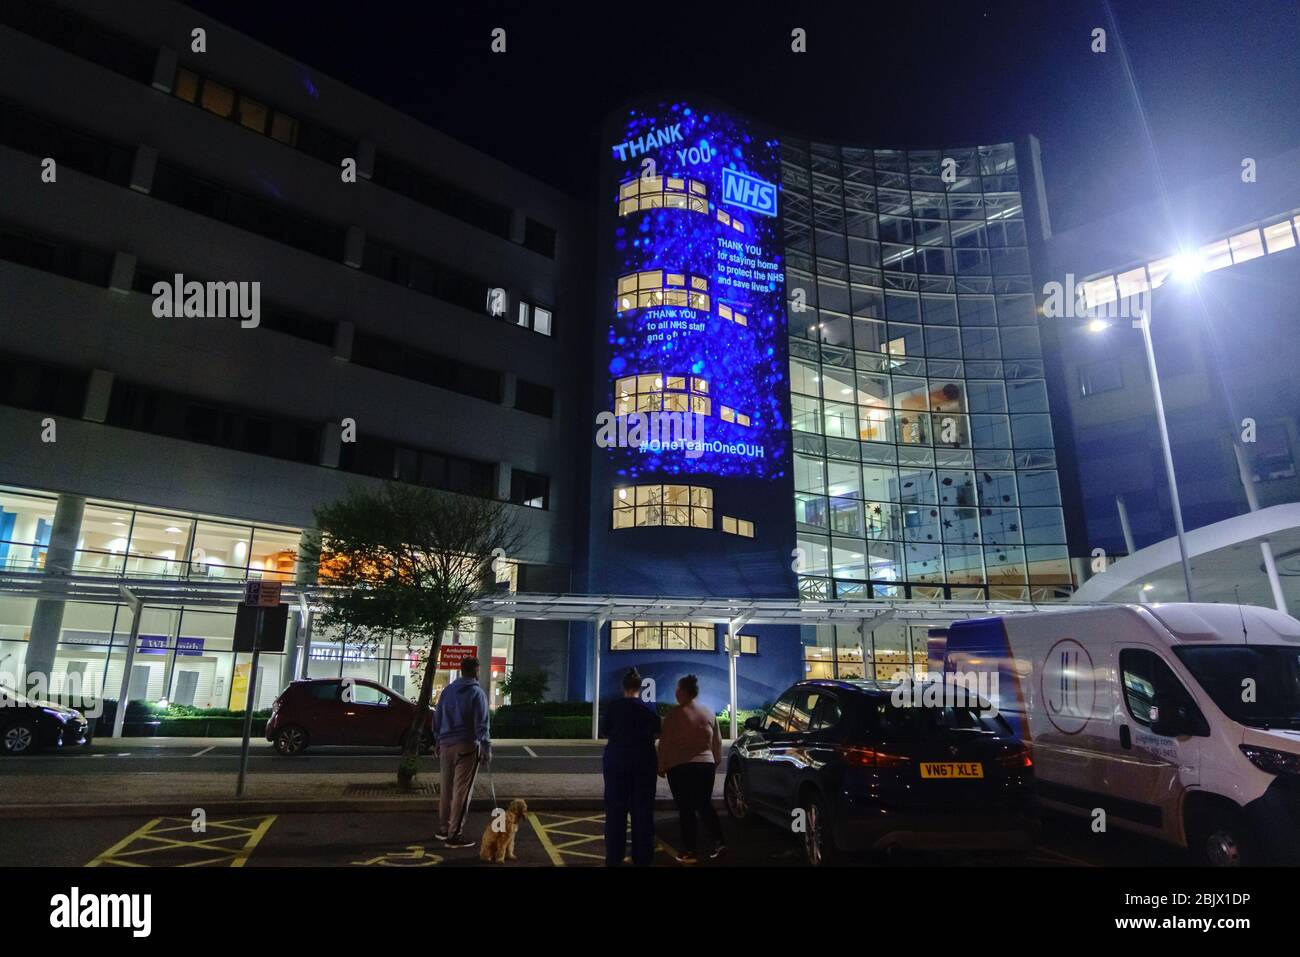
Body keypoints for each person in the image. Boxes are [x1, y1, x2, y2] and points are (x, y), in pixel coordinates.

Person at [658, 674, 724, 864]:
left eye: (678, 690)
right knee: (704, 804)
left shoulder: (674, 715)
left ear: (684, 692)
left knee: (686, 808)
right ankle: (719, 842)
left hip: (680, 767)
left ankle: (690, 850)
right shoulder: (708, 713)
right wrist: (715, 760)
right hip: (706, 765)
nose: (676, 693)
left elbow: (665, 743)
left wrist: (661, 765)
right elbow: (717, 741)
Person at [600, 667, 661, 866]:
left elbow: (605, 732)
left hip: (616, 762)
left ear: (623, 687)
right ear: (640, 688)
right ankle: (642, 857)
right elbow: (658, 732)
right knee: (643, 811)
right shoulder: (649, 709)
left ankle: (614, 857)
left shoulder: (614, 707)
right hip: (644, 762)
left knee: (615, 812)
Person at [435, 656, 490, 848]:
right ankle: (454, 835)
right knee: (461, 792)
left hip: (445, 745)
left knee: (446, 789)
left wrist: (437, 740)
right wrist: (486, 748)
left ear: (461, 670)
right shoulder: (477, 693)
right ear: (476, 671)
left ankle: (443, 828)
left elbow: (438, 716)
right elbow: (481, 724)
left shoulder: (448, 691)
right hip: (466, 746)